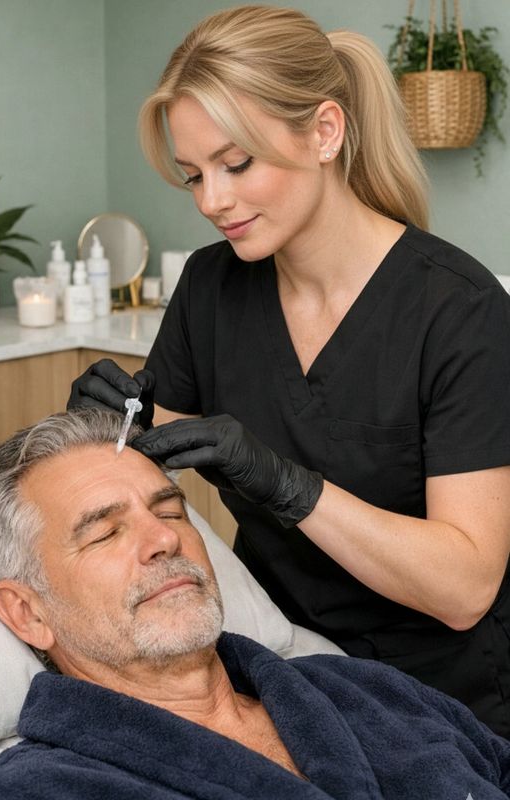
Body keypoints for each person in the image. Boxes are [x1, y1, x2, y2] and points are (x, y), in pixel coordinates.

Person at [68, 5, 510, 736]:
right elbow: (158, 472)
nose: (213, 201)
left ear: (325, 132)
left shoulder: (458, 311)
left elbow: (464, 587)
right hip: (278, 669)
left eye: (237, 164)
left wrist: (290, 486)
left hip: (440, 701)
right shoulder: (212, 287)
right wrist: (106, 427)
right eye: (194, 175)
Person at [0, 408, 510, 799]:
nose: (165, 540)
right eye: (105, 534)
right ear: (27, 612)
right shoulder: (32, 791)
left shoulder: (366, 691)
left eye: (169, 512)